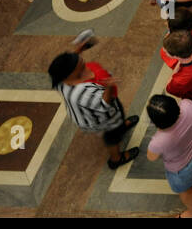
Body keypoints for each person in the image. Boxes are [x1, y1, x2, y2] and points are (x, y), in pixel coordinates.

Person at [48, 36, 139, 169]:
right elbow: (103, 105)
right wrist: (108, 85)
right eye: (82, 69)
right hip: (103, 119)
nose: (88, 70)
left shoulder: (61, 81)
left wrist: (78, 50)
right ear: (71, 75)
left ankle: (121, 125)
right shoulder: (83, 93)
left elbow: (70, 65)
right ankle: (116, 158)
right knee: (112, 136)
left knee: (117, 123)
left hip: (88, 113)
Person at [145, 94, 192, 218]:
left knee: (185, 190)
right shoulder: (188, 105)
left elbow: (151, 157)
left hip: (183, 170)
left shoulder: (158, 141)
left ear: (157, 123)